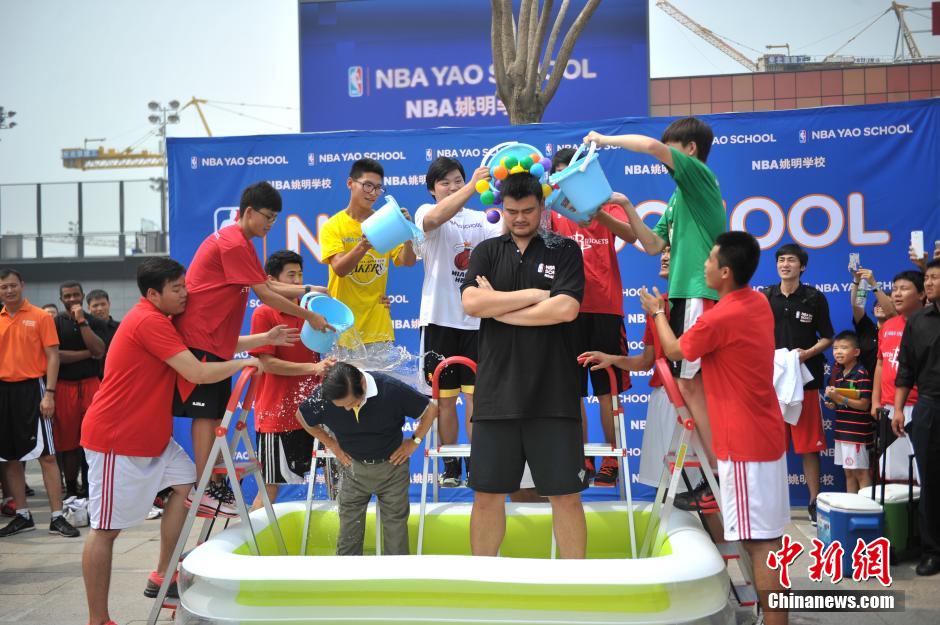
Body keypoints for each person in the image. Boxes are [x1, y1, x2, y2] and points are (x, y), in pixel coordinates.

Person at [79, 257, 262, 625]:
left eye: (185, 285)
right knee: (106, 531)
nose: (186, 293)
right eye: (177, 288)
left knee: (187, 483)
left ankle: (163, 570)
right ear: (153, 293)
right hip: (118, 440)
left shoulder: (161, 319)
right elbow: (197, 370)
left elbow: (212, 342)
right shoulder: (147, 321)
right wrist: (246, 364)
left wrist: (263, 341)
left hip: (153, 441)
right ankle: (98, 620)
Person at [639, 231, 789, 625]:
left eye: (708, 260)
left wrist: (656, 312)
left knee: (759, 544)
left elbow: (674, 352)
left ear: (724, 271)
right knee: (767, 540)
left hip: (743, 446)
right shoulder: (757, 302)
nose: (701, 265)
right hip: (766, 437)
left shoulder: (721, 316)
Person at [584, 118, 725, 507]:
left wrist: (603, 137)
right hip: (680, 298)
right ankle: (704, 476)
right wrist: (621, 207)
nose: (665, 158)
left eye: (672, 148)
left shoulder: (698, 177)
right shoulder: (679, 199)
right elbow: (650, 245)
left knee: (693, 385)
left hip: (698, 294)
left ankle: (717, 475)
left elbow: (648, 147)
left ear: (690, 149)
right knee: (685, 387)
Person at [172, 181, 331, 516]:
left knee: (215, 414)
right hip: (201, 338)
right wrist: (310, 315)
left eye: (275, 219)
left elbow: (267, 285)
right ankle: (204, 485)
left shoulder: (239, 242)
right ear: (248, 212)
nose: (270, 225)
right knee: (207, 415)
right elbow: (267, 294)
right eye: (268, 217)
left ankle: (210, 484)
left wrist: (307, 288)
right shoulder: (233, 244)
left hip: (217, 341)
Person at [461, 173, 587, 559]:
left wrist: (501, 306)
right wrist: (534, 296)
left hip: (553, 393)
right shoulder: (486, 251)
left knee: (565, 495)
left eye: (527, 210)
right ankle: (482, 581)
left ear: (541, 207)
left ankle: (577, 586)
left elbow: (565, 309)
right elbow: (472, 304)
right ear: (500, 209)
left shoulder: (564, 249)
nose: (519, 218)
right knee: (487, 495)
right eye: (511, 211)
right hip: (497, 393)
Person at [550, 148, 637, 486]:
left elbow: (631, 236)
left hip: (605, 310)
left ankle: (611, 461)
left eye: (568, 174)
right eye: (557, 175)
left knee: (607, 392)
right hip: (567, 311)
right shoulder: (553, 213)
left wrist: (597, 213)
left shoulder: (607, 204)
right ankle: (581, 457)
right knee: (572, 392)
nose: (563, 181)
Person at [415, 157, 503, 487]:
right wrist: (469, 187)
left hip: (479, 322)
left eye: (458, 180)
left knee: (476, 399)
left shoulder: (484, 218)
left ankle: (478, 462)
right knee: (443, 399)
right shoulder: (426, 212)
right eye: (445, 182)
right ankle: (450, 464)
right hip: (439, 320)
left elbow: (507, 230)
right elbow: (437, 217)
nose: (452, 186)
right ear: (431, 189)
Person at [296, 362, 437, 556]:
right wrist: (333, 444)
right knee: (348, 533)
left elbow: (429, 409)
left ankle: (396, 581)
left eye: (350, 403)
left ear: (362, 384)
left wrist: (414, 441)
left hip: (392, 469)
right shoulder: (324, 395)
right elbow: (302, 417)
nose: (346, 409)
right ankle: (348, 580)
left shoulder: (390, 389)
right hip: (352, 469)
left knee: (396, 531)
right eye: (341, 406)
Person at [581, 248, 690, 489]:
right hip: (662, 397)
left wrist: (659, 312)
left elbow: (678, 351)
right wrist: (611, 359)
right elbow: (645, 361)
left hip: (691, 396)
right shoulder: (656, 303)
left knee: (694, 482)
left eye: (671, 252)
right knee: (664, 484)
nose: (663, 256)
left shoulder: (698, 305)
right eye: (662, 251)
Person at [249, 250, 334, 509]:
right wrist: (313, 368)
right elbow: (267, 364)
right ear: (272, 281)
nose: (298, 282)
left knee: (337, 480)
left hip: (314, 414)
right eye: (291, 276)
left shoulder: (311, 311)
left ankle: (346, 542)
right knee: (270, 488)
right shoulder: (264, 314)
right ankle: (256, 547)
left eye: (300, 275)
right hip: (277, 416)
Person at [0, 268, 79, 538]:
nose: (8, 291)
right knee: (10, 457)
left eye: (12, 285)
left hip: (34, 389)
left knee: (47, 455)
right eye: (3, 287)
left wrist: (50, 393)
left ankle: (57, 516)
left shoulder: (40, 317)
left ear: (22, 285)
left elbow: (53, 357)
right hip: (3, 391)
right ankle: (22, 514)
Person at [765, 243, 834, 525]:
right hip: (772, 385)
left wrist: (806, 354)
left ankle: (814, 502)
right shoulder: (766, 297)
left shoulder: (814, 298)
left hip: (805, 381)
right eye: (781, 260)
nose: (785, 265)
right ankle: (772, 503)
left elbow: (828, 337)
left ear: (801, 266)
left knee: (808, 447)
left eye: (791, 260)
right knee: (772, 448)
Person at [320, 158, 417, 354]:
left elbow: (408, 261)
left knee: (379, 386)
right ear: (350, 183)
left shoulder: (385, 222)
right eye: (367, 186)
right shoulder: (333, 226)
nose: (373, 193)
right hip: (343, 330)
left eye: (378, 188)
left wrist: (407, 232)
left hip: (378, 329)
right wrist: (364, 244)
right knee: (345, 386)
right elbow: (340, 269)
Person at [894, 258, 940, 576]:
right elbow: (906, 368)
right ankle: (932, 550)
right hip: (929, 407)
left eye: (935, 277)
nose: (929, 283)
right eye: (927, 278)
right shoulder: (918, 321)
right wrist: (898, 408)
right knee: (931, 482)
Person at [53, 281, 108, 499]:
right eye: (67, 296)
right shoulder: (55, 323)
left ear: (83, 296)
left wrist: (82, 321)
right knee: (67, 443)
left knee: (93, 440)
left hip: (91, 384)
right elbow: (57, 356)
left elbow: (99, 350)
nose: (72, 299)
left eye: (76, 295)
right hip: (64, 387)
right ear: (61, 299)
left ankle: (91, 487)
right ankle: (72, 489)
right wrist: (88, 354)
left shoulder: (93, 321)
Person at [871, 270, 925, 481]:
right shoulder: (888, 326)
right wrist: (876, 401)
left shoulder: (929, 324)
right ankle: (901, 514)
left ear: (921, 294)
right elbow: (880, 364)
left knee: (923, 471)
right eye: (894, 290)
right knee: (893, 473)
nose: (897, 294)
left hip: (919, 406)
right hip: (888, 407)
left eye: (904, 289)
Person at [822, 331, 873, 493]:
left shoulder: (861, 374)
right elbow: (840, 404)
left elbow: (864, 405)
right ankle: (852, 510)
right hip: (842, 432)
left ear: (856, 352)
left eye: (844, 348)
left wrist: (840, 398)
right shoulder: (837, 376)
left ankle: (866, 511)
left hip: (857, 433)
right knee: (849, 473)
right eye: (835, 348)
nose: (838, 352)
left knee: (861, 473)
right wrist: (832, 402)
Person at [848, 266, 895, 375]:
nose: (880, 306)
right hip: (866, 383)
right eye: (877, 304)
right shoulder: (866, 327)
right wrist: (856, 281)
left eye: (884, 304)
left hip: (892, 382)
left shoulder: (901, 326)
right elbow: (856, 306)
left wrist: (873, 283)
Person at [86, 289, 121, 379]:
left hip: (116, 377)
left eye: (103, 304)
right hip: (92, 379)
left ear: (109, 304)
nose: (100, 309)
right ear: (88, 308)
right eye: (95, 305)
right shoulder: (85, 330)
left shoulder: (121, 328)